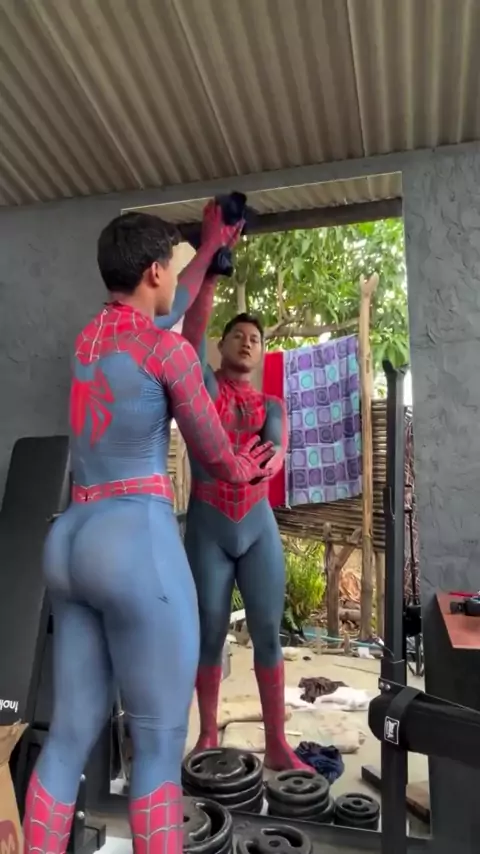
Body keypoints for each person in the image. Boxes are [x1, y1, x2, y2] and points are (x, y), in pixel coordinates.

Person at [22, 209, 274, 854]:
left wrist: (209, 246)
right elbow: (215, 454)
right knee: (159, 747)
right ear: (155, 271)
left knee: (68, 738)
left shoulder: (90, 340)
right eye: (172, 265)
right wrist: (252, 466)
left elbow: (172, 303)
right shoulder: (168, 352)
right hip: (134, 540)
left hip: (71, 539)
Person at [180, 250, 310, 772]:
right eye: (238, 334)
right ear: (223, 344)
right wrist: (210, 276)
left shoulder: (271, 406)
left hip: (257, 526)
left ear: (261, 351)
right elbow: (190, 343)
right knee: (209, 633)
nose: (248, 341)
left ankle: (278, 743)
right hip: (208, 526)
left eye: (255, 337)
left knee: (268, 632)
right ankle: (207, 734)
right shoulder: (206, 387)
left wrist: (270, 461)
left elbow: (275, 449)